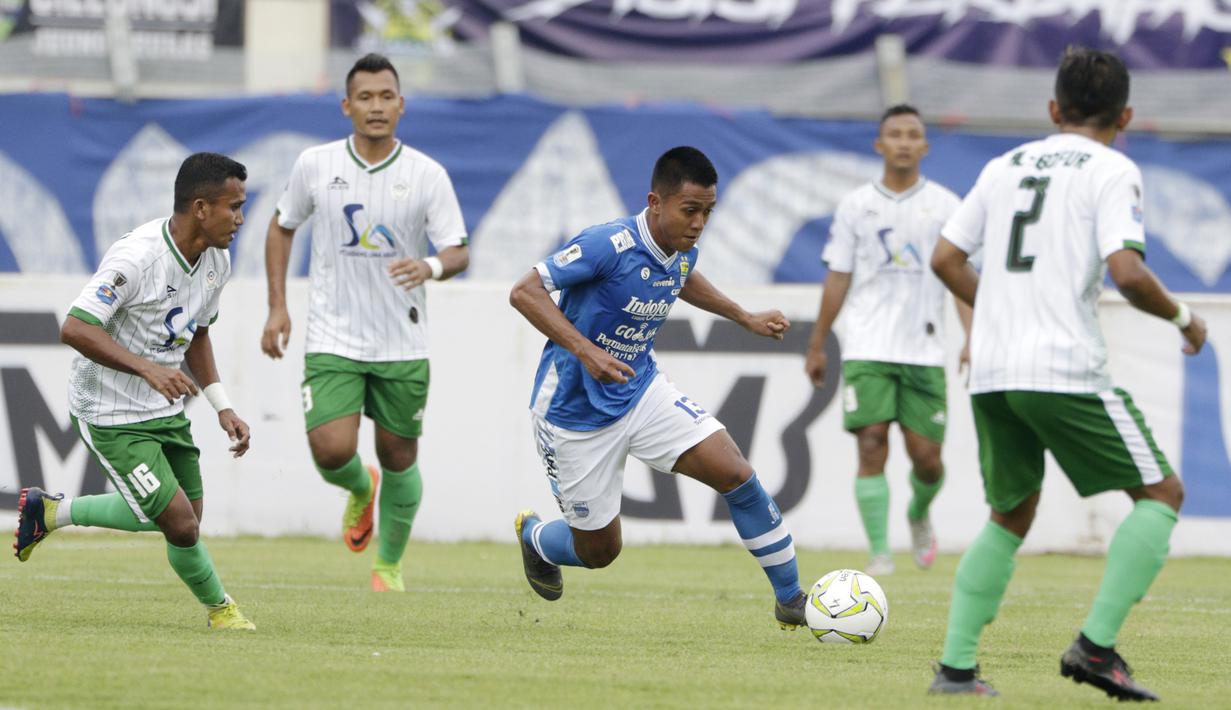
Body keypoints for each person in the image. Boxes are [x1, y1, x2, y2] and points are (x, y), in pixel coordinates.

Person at [927, 47, 1207, 700]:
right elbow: (1129, 274)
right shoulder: (1112, 168)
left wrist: (997, 306)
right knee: (1161, 495)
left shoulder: (1004, 166)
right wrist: (1186, 320)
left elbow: (944, 257)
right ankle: (1095, 648)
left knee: (1009, 513)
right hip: (1060, 365)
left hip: (993, 369)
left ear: (1053, 109)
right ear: (1125, 115)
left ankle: (955, 670)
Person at [510, 146, 809, 628]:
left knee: (735, 472)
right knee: (600, 551)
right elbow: (524, 291)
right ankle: (537, 538)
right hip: (572, 412)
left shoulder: (680, 248)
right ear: (655, 202)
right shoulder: (607, 244)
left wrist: (744, 316)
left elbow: (682, 277)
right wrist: (586, 350)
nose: (699, 223)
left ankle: (791, 599)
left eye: (708, 212)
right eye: (690, 210)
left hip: (641, 391)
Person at [14, 152, 256, 630]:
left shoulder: (217, 261)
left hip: (161, 407)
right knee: (181, 525)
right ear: (202, 208)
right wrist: (147, 369)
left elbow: (198, 334)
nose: (241, 218)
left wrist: (222, 406)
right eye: (234, 207)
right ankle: (221, 611)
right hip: (108, 411)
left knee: (185, 519)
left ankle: (52, 511)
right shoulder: (138, 257)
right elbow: (76, 327)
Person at [261, 53, 469, 592]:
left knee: (399, 453)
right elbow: (282, 227)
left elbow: (458, 251)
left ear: (401, 105)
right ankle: (359, 487)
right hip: (333, 334)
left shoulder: (427, 175)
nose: (376, 107)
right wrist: (278, 305)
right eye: (365, 97)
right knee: (331, 449)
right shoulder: (314, 164)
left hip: (402, 339)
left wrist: (428, 265)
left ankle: (388, 567)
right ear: (346, 105)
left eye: (386, 96)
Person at [804, 105, 970, 577]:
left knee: (928, 459)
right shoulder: (856, 205)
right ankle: (880, 553)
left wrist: (972, 337)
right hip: (867, 346)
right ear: (879, 145)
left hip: (924, 348)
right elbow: (838, 276)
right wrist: (817, 343)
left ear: (924, 146)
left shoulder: (946, 205)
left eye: (912, 134)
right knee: (871, 443)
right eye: (894, 134)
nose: (902, 141)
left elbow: (960, 278)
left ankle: (919, 513)